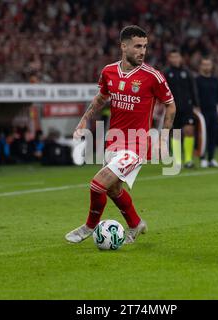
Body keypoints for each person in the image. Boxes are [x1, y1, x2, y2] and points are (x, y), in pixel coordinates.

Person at [65, 25, 176, 244]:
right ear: (123, 46)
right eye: (137, 46)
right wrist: (84, 119)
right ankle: (136, 224)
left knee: (98, 184)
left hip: (137, 144)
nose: (142, 51)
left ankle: (89, 226)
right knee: (114, 188)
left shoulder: (153, 76)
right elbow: (100, 98)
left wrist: (163, 139)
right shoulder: (108, 72)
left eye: (145, 46)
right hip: (114, 141)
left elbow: (170, 106)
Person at [163, 49, 199, 168]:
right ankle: (178, 160)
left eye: (177, 57)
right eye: (172, 57)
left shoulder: (187, 72)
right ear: (169, 59)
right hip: (173, 108)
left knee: (189, 130)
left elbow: (193, 89)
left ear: (180, 58)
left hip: (187, 107)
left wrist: (196, 105)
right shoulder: (166, 73)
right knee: (175, 133)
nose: (175, 59)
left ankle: (188, 160)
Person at [195, 57, 218, 168]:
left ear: (211, 66)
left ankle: (211, 158)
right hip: (202, 112)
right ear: (201, 66)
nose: (206, 67)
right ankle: (202, 158)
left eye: (208, 64)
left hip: (213, 111)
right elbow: (195, 96)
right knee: (202, 136)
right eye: (204, 64)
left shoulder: (215, 80)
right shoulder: (197, 80)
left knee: (212, 135)